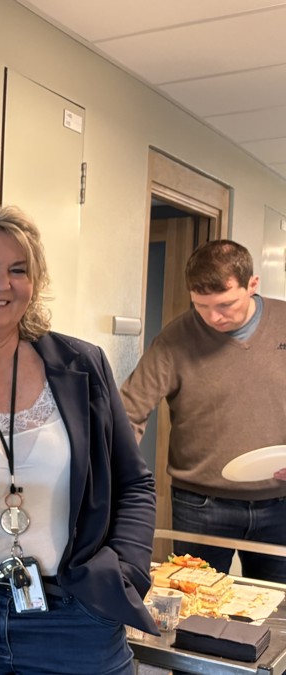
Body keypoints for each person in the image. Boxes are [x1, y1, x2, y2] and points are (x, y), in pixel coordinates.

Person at [0, 203, 158, 674]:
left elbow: (136, 485)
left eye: (18, 270)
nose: (2, 283)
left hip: (77, 614)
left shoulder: (81, 365)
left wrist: (125, 572)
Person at [121, 239, 286, 582]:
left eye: (226, 304)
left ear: (252, 284)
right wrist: (109, 475)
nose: (213, 317)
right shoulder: (175, 339)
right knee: (195, 612)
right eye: (201, 305)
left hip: (280, 502)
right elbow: (130, 410)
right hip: (201, 505)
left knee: (276, 611)